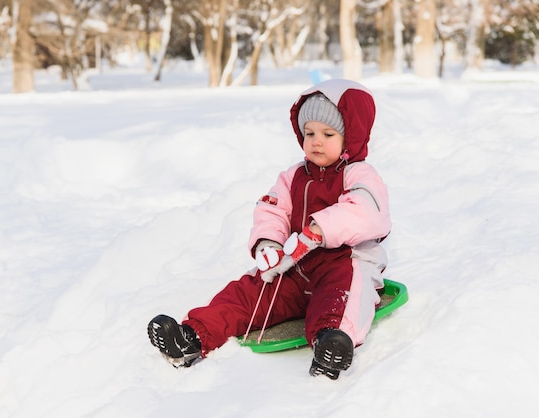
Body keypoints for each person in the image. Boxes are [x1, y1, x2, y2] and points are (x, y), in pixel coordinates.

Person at [147, 79, 391, 380]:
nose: (316, 141)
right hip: (298, 264)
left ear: (350, 138)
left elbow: (365, 211)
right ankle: (191, 338)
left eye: (328, 134)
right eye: (309, 133)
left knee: (341, 298)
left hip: (343, 264)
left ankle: (331, 344)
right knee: (248, 293)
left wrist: (319, 228)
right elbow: (273, 209)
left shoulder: (360, 174)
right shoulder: (293, 176)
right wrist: (269, 243)